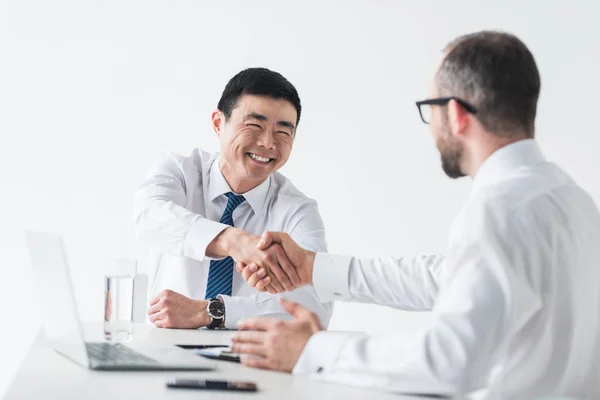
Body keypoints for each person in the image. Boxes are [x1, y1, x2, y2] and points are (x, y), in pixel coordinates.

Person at [231, 32, 600, 399]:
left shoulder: (501, 211)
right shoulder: (572, 200)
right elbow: (445, 276)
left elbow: (448, 363)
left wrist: (312, 352)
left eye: (431, 108)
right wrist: (312, 268)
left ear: (455, 113)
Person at [133, 68, 332, 330]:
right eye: (254, 125)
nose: (268, 143)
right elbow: (149, 217)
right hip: (164, 357)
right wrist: (233, 241)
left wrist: (213, 311)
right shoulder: (179, 171)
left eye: (283, 131)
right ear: (218, 123)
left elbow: (315, 307)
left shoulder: (298, 211)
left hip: (250, 362)